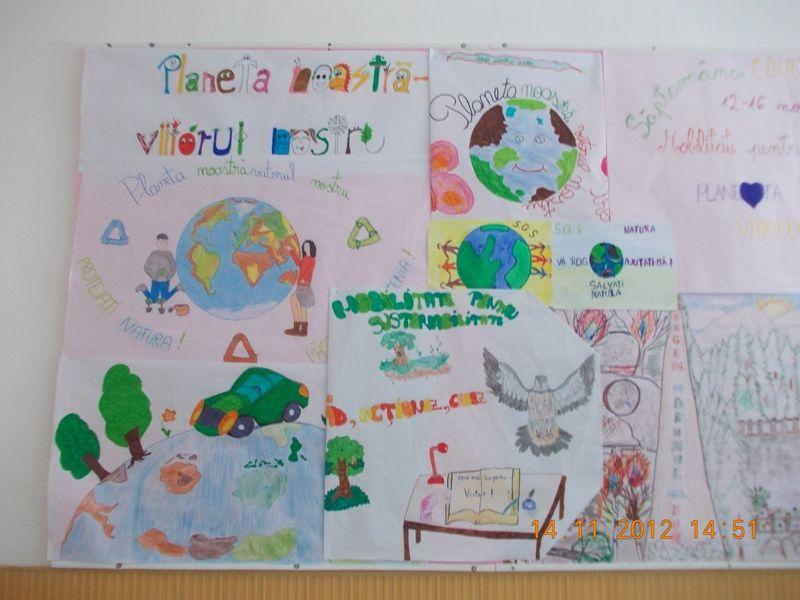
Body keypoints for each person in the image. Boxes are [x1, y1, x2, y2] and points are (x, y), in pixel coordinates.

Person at [135, 233, 183, 313]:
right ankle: (144, 289)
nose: (162, 244)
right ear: (157, 242)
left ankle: (177, 288)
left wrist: (167, 277)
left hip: (165, 280)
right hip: (155, 280)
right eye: (160, 242)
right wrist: (155, 276)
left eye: (164, 242)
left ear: (167, 243)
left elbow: (173, 267)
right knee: (153, 300)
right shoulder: (154, 254)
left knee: (164, 298)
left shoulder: (169, 254)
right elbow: (146, 267)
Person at [285, 240, 317, 337]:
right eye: (304, 246)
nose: (306, 248)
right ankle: (297, 328)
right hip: (301, 287)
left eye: (308, 246)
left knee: (302, 307)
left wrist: (304, 279)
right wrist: (291, 251)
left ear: (311, 248)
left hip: (304, 287)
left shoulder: (311, 260)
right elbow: (299, 263)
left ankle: (302, 330)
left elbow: (308, 270)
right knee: (294, 301)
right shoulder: (305, 259)